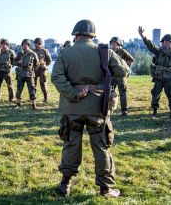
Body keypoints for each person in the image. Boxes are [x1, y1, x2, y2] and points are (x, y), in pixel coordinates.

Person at [51, 19, 130, 198]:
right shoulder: (104, 52)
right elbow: (124, 71)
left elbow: (56, 76)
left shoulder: (66, 53)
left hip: (72, 107)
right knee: (101, 147)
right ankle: (105, 189)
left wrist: (73, 93)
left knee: (71, 144)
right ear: (92, 35)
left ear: (75, 34)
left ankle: (65, 184)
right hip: (97, 107)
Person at [138, 27, 171, 121]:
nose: (166, 43)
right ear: (163, 42)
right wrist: (142, 36)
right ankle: (154, 111)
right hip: (159, 77)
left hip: (169, 77)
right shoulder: (159, 51)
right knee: (155, 94)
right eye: (164, 41)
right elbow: (150, 46)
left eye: (168, 41)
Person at [109, 37, 135, 116]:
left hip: (121, 76)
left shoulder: (122, 51)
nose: (113, 44)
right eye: (112, 43)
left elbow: (131, 60)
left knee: (122, 93)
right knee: (110, 92)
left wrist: (125, 67)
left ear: (119, 44)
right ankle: (110, 109)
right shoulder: (109, 52)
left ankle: (124, 110)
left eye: (115, 43)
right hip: (112, 75)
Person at [14, 39, 39, 109]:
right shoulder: (20, 54)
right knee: (19, 89)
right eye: (23, 44)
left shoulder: (33, 53)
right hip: (21, 74)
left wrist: (32, 69)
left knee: (32, 89)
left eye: (26, 44)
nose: (24, 46)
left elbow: (37, 63)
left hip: (29, 74)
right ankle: (18, 103)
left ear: (28, 45)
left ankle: (34, 105)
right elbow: (13, 62)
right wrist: (18, 62)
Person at [33, 38, 52, 102]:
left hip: (42, 70)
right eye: (35, 44)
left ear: (40, 44)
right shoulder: (33, 51)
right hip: (34, 70)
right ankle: (33, 97)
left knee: (43, 84)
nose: (35, 45)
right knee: (33, 84)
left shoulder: (44, 51)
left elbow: (49, 60)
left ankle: (45, 98)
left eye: (36, 44)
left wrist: (45, 65)